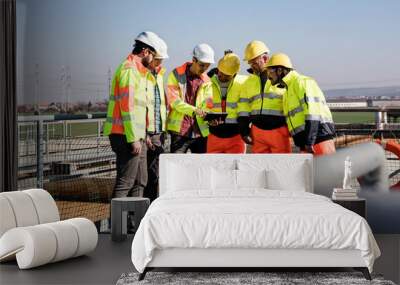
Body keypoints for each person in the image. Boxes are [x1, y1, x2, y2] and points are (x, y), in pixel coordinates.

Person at [103, 31, 160, 198]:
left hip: (136, 135)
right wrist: (133, 138)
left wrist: (144, 135)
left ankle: (136, 222)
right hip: (125, 135)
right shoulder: (129, 70)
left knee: (140, 181)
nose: (153, 61)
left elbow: (139, 110)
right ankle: (117, 224)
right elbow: (127, 108)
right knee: (126, 182)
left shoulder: (138, 71)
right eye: (153, 56)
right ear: (145, 52)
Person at [266, 53, 335, 155]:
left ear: (280, 70)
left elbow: (313, 113)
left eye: (270, 71)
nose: (268, 76)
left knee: (327, 170)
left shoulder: (302, 82)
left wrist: (309, 141)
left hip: (318, 139)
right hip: (306, 142)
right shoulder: (288, 89)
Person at [237, 41, 291, 153]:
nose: (252, 66)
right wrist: (244, 131)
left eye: (255, 63)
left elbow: (292, 103)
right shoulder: (248, 82)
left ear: (265, 58)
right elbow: (243, 108)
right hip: (257, 133)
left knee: (282, 167)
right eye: (250, 63)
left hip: (279, 131)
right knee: (258, 167)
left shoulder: (282, 77)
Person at [166, 43, 214, 153]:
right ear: (194, 60)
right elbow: (174, 101)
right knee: (176, 166)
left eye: (207, 66)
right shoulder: (176, 74)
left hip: (200, 132)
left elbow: (209, 104)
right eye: (202, 65)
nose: (204, 69)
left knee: (201, 168)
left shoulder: (207, 81)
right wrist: (195, 111)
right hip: (180, 132)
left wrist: (210, 117)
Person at [144, 37, 168, 202]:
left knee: (154, 175)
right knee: (140, 178)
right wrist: (144, 133)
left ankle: (151, 207)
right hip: (145, 133)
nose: (159, 64)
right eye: (158, 60)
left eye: (161, 61)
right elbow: (140, 106)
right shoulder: (141, 75)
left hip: (158, 133)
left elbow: (160, 105)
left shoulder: (159, 76)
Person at [207, 52, 247, 153]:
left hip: (236, 137)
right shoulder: (208, 82)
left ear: (234, 74)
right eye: (221, 72)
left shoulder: (243, 83)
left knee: (237, 168)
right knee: (212, 168)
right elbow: (202, 105)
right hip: (214, 136)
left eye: (226, 75)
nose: (222, 76)